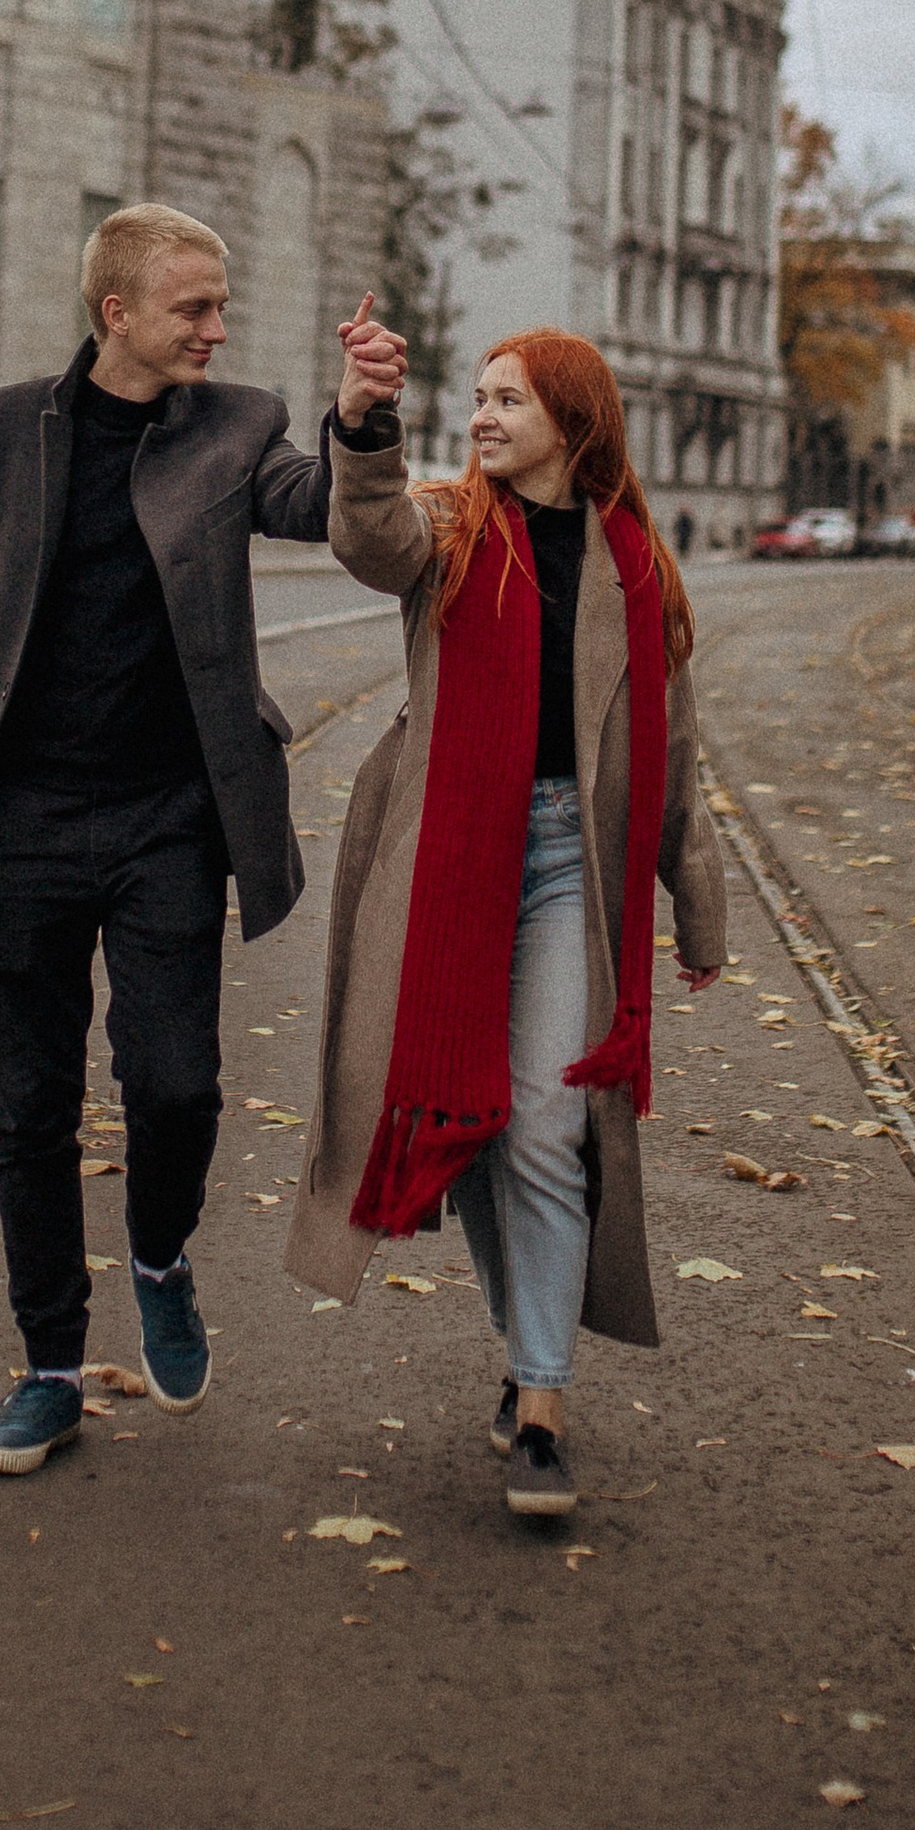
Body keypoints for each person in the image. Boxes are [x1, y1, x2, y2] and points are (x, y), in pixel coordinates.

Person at [0, 201, 369, 1481]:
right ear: (115, 311)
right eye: (194, 307)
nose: (216, 327)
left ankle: (157, 1256)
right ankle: (49, 1370)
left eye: (221, 306)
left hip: (169, 818)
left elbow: (322, 511)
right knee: (29, 1111)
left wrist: (360, 421)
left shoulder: (239, 424)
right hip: (22, 819)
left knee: (177, 1082)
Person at [287, 322, 727, 1526]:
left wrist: (695, 900)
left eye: (508, 400)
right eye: (476, 397)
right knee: (470, 1121)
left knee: (541, 1123)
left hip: (568, 870)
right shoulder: (446, 527)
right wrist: (364, 419)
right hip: (447, 866)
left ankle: (541, 1402)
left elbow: (673, 751)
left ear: (571, 421)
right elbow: (364, 535)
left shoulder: (636, 567)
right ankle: (526, 1343)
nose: (481, 417)